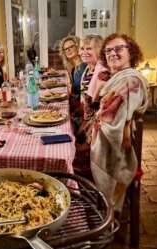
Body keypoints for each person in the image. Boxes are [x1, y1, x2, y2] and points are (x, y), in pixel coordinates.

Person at [90, 33, 149, 212]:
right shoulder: (114, 78)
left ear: (130, 53)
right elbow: (95, 104)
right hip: (104, 140)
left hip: (112, 151)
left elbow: (107, 120)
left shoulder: (130, 82)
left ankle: (101, 212)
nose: (112, 53)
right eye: (108, 50)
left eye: (118, 49)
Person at [73, 34, 104, 176]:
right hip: (87, 118)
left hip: (97, 124)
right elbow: (84, 99)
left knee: (72, 141)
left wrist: (83, 126)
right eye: (82, 48)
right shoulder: (88, 68)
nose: (84, 52)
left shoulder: (102, 71)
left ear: (98, 50)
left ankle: (85, 177)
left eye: (89, 48)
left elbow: (97, 106)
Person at [59, 36, 87, 128]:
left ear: (78, 46)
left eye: (71, 47)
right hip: (75, 104)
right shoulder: (73, 67)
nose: (68, 50)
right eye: (65, 49)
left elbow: (83, 93)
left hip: (81, 109)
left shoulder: (85, 66)